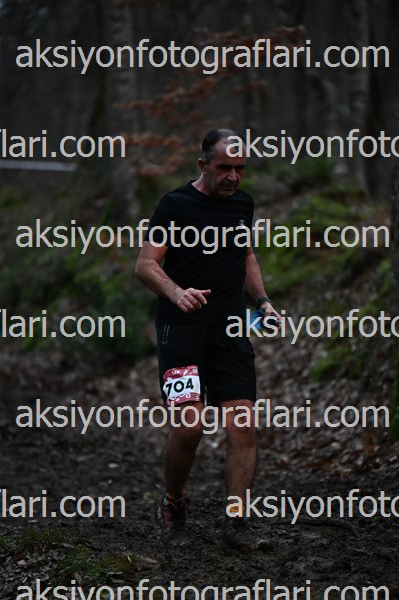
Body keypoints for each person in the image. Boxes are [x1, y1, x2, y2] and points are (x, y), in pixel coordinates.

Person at [135, 129, 280, 551]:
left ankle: (236, 522)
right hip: (181, 332)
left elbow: (246, 255)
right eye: (224, 168)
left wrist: (263, 301)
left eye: (240, 168)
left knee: (244, 424)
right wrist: (176, 292)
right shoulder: (174, 205)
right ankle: (173, 503)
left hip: (230, 330)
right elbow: (145, 264)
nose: (233, 177)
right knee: (190, 425)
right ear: (203, 165)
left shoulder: (242, 204)